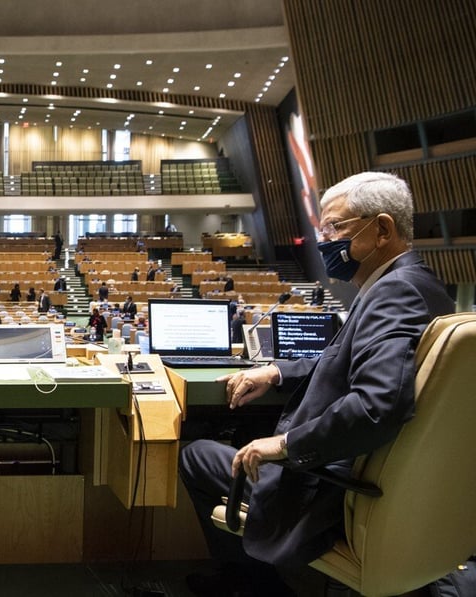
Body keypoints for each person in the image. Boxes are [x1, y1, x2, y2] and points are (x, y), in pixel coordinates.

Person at [179, 172, 455, 596]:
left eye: (336, 227)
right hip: (391, 483)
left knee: (197, 454)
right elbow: (346, 360)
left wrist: (286, 445)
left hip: (329, 486)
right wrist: (276, 372)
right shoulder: (421, 285)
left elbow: (376, 405)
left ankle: (252, 584)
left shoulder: (394, 294)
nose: (324, 240)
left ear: (382, 228)